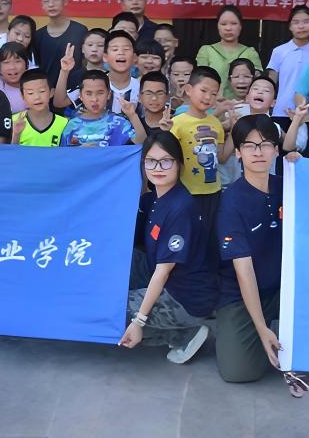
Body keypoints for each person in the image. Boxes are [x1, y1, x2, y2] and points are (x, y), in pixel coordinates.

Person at [120, 132, 217, 363]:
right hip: (164, 275)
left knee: (113, 307)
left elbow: (163, 272)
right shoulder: (157, 197)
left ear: (180, 165)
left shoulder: (180, 207)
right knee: (122, 259)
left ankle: (183, 334)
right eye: (151, 161)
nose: (158, 168)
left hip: (185, 296)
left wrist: (139, 321)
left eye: (166, 161)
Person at [214, 115, 284, 383]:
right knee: (239, 372)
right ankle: (259, 327)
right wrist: (260, 328)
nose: (258, 152)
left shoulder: (287, 185)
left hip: (283, 289)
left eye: (265, 144)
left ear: (275, 150)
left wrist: (299, 164)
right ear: (238, 153)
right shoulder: (231, 201)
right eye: (250, 145)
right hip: (240, 294)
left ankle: (279, 326)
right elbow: (244, 271)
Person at [170, 67, 232, 220]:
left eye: (214, 94)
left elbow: (221, 157)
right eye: (203, 90)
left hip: (213, 191)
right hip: (185, 191)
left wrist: (234, 131)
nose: (208, 97)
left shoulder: (216, 123)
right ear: (188, 90)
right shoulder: (176, 123)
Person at [55, 31, 140, 114]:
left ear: (135, 57)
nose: (121, 53)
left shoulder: (141, 87)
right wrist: (64, 71)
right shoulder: (94, 82)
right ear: (105, 57)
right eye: (115, 49)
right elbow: (60, 102)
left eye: (126, 49)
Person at [59, 70, 146, 147]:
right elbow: (64, 155)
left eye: (100, 93)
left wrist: (132, 115)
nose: (94, 99)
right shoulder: (72, 125)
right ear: (80, 96)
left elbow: (141, 142)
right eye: (88, 94)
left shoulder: (118, 122)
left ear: (108, 94)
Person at [266, 5, 309, 117]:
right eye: (296, 22)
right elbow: (270, 82)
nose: (301, 26)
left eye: (306, 22)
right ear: (290, 26)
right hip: (281, 111)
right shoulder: (279, 51)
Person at [196, 5, 261, 100]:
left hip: (243, 105)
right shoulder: (206, 51)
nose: (228, 28)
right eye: (223, 24)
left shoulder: (250, 52)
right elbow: (199, 81)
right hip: (212, 104)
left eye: (234, 24)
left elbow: (258, 82)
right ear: (217, 26)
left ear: (240, 26)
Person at [33, 0, 89, 88]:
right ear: (42, 5)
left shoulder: (80, 31)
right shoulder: (38, 36)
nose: (51, 4)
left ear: (65, 1)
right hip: (46, 92)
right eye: (46, 1)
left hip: (74, 92)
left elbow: (86, 62)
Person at [11, 69, 68, 147]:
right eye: (30, 93)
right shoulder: (14, 121)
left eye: (42, 91)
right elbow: (9, 152)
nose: (37, 97)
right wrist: (16, 135)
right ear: (23, 96)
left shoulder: (64, 123)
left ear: (51, 92)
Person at [0, 42, 30, 114]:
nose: (12, 67)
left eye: (17, 61)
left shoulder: (32, 89)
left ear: (27, 65)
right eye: (6, 62)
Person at [66, 28, 108, 92]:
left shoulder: (113, 76)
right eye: (90, 45)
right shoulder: (74, 77)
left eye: (100, 45)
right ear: (83, 48)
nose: (94, 49)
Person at [138, 71, 173, 137]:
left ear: (167, 97)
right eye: (148, 93)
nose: (154, 98)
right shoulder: (134, 125)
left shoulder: (176, 124)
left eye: (160, 93)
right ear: (139, 97)